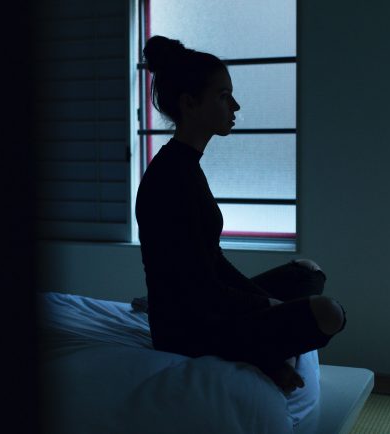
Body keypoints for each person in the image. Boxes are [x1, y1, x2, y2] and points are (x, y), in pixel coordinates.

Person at [135, 35, 346, 394]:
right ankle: (264, 357)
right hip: (187, 328)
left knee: (307, 272)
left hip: (208, 307)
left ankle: (265, 349)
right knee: (329, 313)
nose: (235, 105)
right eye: (223, 96)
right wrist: (265, 303)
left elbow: (213, 261)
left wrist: (263, 300)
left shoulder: (185, 166)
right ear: (190, 103)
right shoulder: (170, 179)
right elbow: (197, 289)